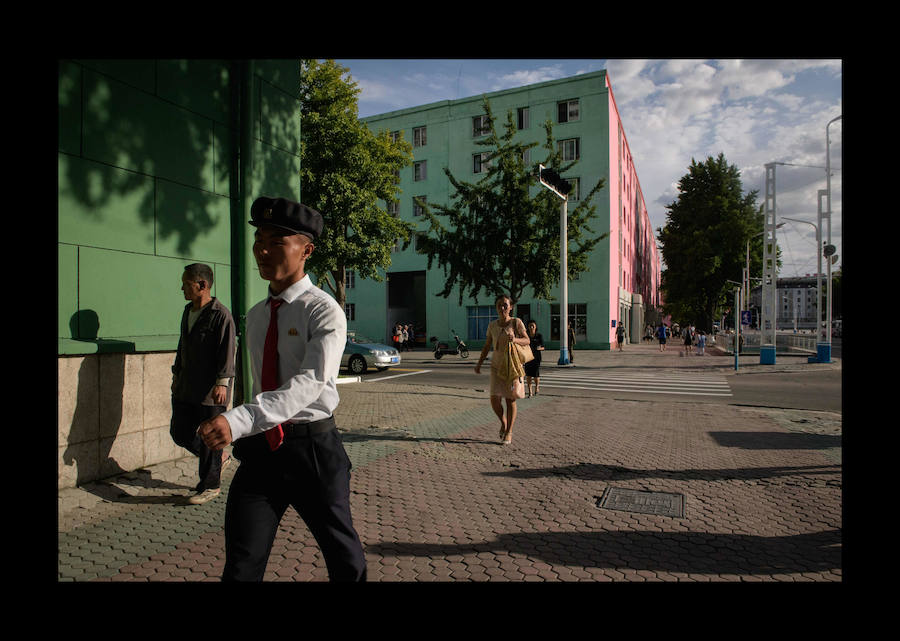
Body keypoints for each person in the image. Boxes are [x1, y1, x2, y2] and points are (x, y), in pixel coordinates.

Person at [197, 196, 366, 582]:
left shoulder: (323, 311)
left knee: (346, 561)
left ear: (306, 250)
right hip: (261, 453)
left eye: (276, 241)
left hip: (313, 453)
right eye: (259, 239)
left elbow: (310, 382)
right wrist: (235, 426)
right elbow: (258, 381)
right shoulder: (257, 316)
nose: (262, 249)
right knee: (241, 564)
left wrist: (238, 420)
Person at [170, 263, 236, 505]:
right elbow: (182, 346)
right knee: (179, 432)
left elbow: (227, 350)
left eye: (186, 284)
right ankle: (219, 459)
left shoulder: (221, 315)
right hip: (186, 386)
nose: (182, 288)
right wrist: (176, 375)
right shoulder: (188, 311)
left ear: (202, 285)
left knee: (209, 436)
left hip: (210, 391)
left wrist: (222, 383)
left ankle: (210, 485)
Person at [474, 295, 529, 445]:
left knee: (510, 399)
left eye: (505, 305)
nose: (502, 308)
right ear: (496, 307)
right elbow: (487, 346)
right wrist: (479, 364)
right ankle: (503, 422)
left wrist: (515, 339)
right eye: (499, 305)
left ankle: (509, 431)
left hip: (512, 365)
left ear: (511, 307)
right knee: (494, 399)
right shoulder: (492, 325)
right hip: (496, 366)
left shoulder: (516, 322)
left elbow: (527, 340)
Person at [523, 320, 544, 397]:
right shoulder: (526, 336)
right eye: (530, 326)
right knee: (528, 375)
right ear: (528, 327)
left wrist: (540, 348)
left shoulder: (539, 336)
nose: (531, 327)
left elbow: (543, 346)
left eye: (533, 326)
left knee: (535, 374)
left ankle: (537, 387)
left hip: (536, 358)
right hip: (528, 357)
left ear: (535, 327)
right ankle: (530, 392)